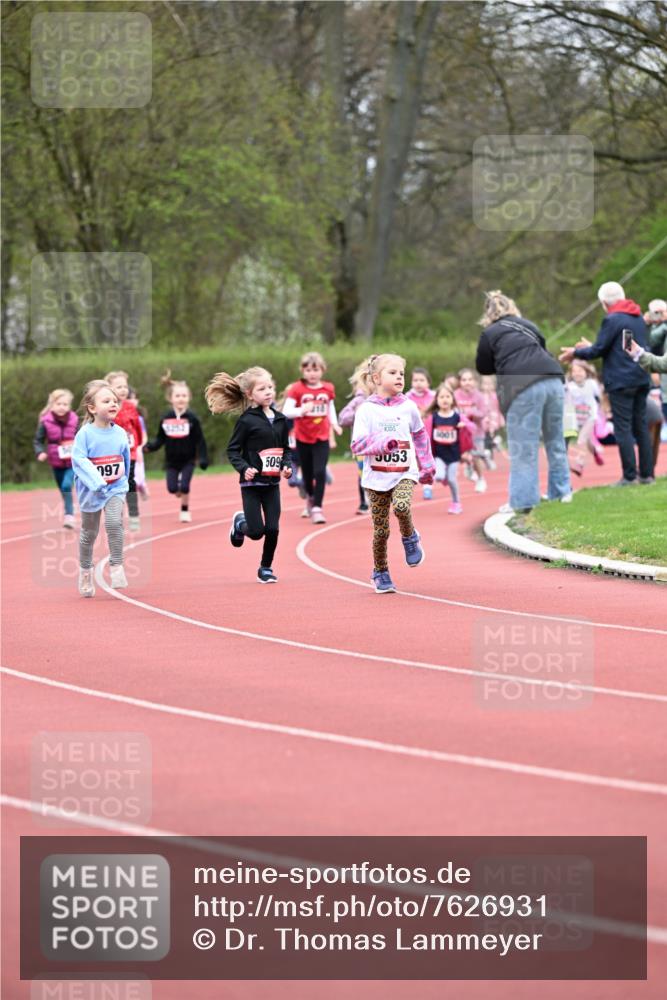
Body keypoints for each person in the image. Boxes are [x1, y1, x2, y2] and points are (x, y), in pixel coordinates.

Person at [475, 289, 571, 513]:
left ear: (488, 313)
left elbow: (483, 367)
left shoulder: (490, 333)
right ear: (512, 306)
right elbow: (543, 349)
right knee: (555, 440)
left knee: (523, 447)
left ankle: (522, 501)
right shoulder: (529, 325)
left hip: (522, 386)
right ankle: (562, 492)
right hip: (554, 381)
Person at [350, 354, 435, 594]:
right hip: (375, 479)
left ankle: (409, 537)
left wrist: (427, 464)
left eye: (401, 373)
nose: (399, 377)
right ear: (376, 378)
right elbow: (356, 445)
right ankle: (380, 572)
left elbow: (419, 434)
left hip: (404, 472)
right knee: (381, 531)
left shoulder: (408, 407)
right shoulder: (366, 410)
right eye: (393, 373)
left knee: (401, 506)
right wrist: (382, 444)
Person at [559, 281, 654, 485]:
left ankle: (629, 476)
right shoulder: (636, 317)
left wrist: (575, 352)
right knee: (640, 427)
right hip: (640, 377)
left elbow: (599, 350)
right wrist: (593, 347)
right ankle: (647, 475)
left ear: (604, 303)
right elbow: (625, 346)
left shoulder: (612, 319)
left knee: (623, 428)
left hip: (621, 380)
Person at [205, 366, 292, 584]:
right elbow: (233, 450)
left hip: (272, 484)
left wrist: (286, 466)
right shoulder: (246, 421)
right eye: (262, 389)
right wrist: (245, 468)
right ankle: (240, 523)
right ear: (250, 394)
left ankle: (265, 568)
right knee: (256, 532)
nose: (268, 392)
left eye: (270, 387)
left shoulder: (281, 420)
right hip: (252, 486)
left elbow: (285, 449)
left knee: (272, 528)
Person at [71, 380, 130, 597]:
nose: (113, 404)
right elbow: (78, 460)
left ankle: (116, 565)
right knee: (89, 533)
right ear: (92, 408)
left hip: (115, 488)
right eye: (106, 401)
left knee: (114, 523)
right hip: (91, 491)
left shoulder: (120, 433)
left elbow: (125, 460)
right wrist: (96, 481)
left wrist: (124, 482)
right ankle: (85, 570)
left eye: (115, 401)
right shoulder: (85, 434)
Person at [283, 352, 342, 524]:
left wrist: (335, 424)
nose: (312, 373)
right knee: (307, 474)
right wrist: (302, 410)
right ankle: (309, 496)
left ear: (322, 370)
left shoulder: (328, 388)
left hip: (322, 437)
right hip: (303, 437)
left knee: (320, 471)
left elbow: (330, 407)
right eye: (308, 370)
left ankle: (317, 507)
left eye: (315, 369)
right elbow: (286, 411)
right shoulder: (297, 389)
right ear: (302, 371)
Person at [144, 371, 209, 522]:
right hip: (171, 461)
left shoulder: (192, 419)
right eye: (177, 396)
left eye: (184, 396)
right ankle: (178, 488)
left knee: (185, 487)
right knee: (172, 489)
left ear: (189, 398)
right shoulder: (166, 418)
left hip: (188, 460)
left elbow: (200, 440)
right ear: (170, 398)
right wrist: (149, 447)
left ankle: (185, 510)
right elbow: (160, 439)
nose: (181, 399)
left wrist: (203, 458)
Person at [104, 370, 144, 529]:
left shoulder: (130, 406)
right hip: (112, 454)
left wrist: (138, 445)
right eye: (118, 386)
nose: (123, 390)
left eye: (125, 386)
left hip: (130, 451)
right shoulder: (106, 407)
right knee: (113, 484)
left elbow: (137, 427)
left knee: (129, 481)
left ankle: (134, 515)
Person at [33, 388, 79, 528]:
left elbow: (81, 437)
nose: (61, 407)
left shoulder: (74, 419)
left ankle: (69, 516)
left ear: (69, 406)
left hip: (72, 461)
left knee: (66, 485)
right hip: (56, 461)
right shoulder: (45, 421)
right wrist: (40, 452)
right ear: (52, 405)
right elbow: (38, 440)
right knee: (62, 488)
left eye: (65, 404)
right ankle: (69, 507)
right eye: (58, 404)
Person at [424, 382, 471, 514]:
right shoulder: (433, 418)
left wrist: (464, 426)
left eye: (447, 397)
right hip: (439, 454)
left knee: (451, 479)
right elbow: (426, 434)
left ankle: (456, 503)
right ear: (437, 400)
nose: (445, 399)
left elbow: (471, 428)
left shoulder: (457, 417)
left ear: (452, 400)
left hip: (454, 455)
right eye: (441, 397)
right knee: (438, 477)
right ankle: (443, 475)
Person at [339, 360, 372, 514]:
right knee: (363, 474)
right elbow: (342, 418)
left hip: (382, 447)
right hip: (361, 446)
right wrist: (356, 413)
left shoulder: (389, 400)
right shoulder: (359, 400)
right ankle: (364, 502)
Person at [563, 361, 604, 476]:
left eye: (580, 371)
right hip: (576, 417)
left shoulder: (592, 384)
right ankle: (595, 452)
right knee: (587, 441)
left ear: (586, 372)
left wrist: (601, 411)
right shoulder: (570, 386)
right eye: (574, 371)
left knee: (581, 440)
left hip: (590, 417)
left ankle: (579, 464)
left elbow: (600, 398)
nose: (577, 374)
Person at [455, 369, 489, 492]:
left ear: (474, 381)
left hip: (476, 433)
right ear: (460, 382)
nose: (467, 382)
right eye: (464, 380)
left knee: (476, 456)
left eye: (470, 379)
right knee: (459, 456)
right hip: (460, 432)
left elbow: (484, 412)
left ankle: (480, 479)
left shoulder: (479, 396)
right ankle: (469, 466)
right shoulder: (455, 395)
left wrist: (472, 412)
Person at [406, 367, 436, 500]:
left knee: (427, 462)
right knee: (415, 461)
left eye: (422, 380)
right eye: (415, 380)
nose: (418, 383)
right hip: (413, 436)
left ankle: (427, 486)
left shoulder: (433, 396)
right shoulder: (407, 397)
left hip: (430, 435)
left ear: (428, 382)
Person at [644, 299, 667, 423]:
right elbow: (632, 345)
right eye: (655, 312)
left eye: (661, 312)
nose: (658, 315)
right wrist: (644, 323)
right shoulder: (644, 325)